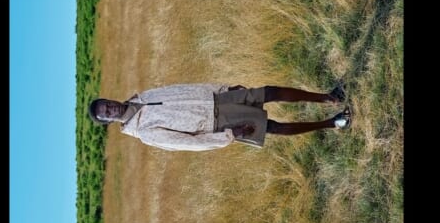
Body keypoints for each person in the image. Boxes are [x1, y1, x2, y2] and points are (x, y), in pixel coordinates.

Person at [88, 82, 350, 152]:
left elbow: (185, 88)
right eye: (106, 114)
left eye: (106, 105)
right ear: (109, 122)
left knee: (269, 92)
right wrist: (228, 136)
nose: (110, 109)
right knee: (273, 127)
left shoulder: (143, 96)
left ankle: (329, 97)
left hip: (218, 98)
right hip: (216, 123)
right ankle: (333, 122)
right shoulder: (144, 132)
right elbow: (187, 143)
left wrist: (222, 87)